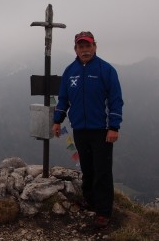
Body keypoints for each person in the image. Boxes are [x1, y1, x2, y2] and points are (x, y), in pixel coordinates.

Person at [52, 31, 123, 228]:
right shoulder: (70, 71)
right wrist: (57, 121)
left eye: (88, 46)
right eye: (80, 46)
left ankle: (103, 211)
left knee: (102, 170)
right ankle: (90, 200)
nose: (85, 50)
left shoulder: (106, 70)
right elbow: (63, 99)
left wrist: (114, 127)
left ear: (95, 47)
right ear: (75, 49)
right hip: (79, 129)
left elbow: (116, 100)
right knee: (87, 168)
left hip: (101, 130)